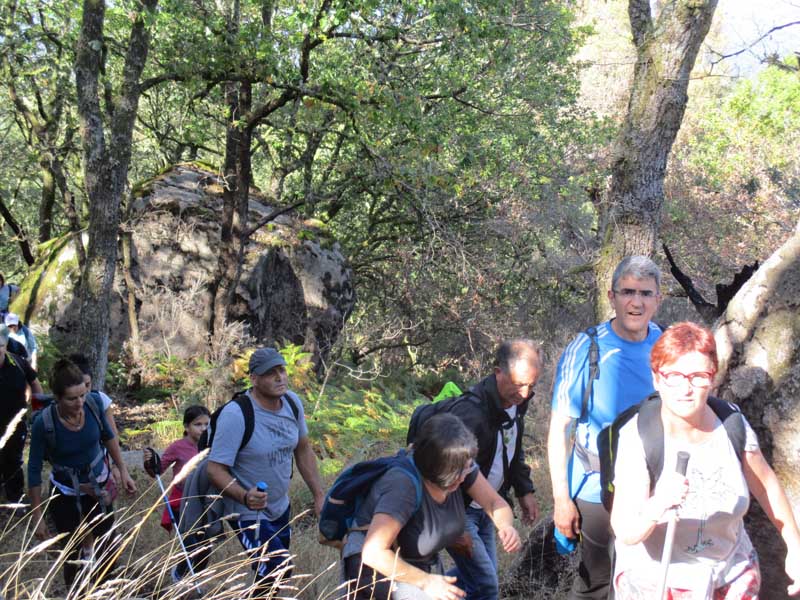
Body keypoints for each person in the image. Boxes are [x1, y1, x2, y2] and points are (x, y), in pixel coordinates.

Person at [610, 321, 800, 598]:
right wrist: (658, 504)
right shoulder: (639, 437)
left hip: (730, 573)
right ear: (656, 379)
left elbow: (766, 485)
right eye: (673, 375)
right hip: (658, 581)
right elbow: (626, 531)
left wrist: (794, 546)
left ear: (712, 378)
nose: (685, 389)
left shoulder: (732, 424)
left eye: (698, 375)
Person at [548, 255, 663, 599]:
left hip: (651, 489)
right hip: (594, 487)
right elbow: (559, 430)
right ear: (612, 297)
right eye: (627, 291)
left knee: (642, 582)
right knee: (595, 583)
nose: (636, 302)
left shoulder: (667, 346)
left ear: (659, 299)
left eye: (645, 293)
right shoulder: (587, 347)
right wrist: (560, 500)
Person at [343, 413, 522, 600]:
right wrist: (426, 581)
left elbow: (494, 502)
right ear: (436, 468)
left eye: (467, 468)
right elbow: (373, 552)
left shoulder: (461, 465)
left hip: (415, 564)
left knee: (480, 583)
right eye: (456, 473)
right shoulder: (403, 486)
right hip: (376, 570)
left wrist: (505, 525)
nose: (463, 477)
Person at [206, 347, 324, 589]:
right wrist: (244, 496)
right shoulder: (236, 414)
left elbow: (303, 450)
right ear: (254, 379)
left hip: (280, 506)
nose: (280, 377)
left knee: (270, 579)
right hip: (245, 510)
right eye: (271, 373)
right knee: (278, 566)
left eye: (282, 370)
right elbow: (215, 469)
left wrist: (319, 495)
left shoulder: (292, 403)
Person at [443, 339, 541, 600]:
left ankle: (426, 587)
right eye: (520, 384)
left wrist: (524, 489)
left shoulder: (518, 402)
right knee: (486, 585)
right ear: (498, 372)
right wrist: (455, 524)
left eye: (532, 386)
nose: (524, 393)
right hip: (462, 510)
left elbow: (512, 447)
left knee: (479, 579)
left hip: (488, 509)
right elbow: (444, 472)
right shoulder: (470, 414)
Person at [27, 359, 136, 586]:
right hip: (65, 494)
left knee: (107, 547)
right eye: (71, 398)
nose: (79, 403)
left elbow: (108, 437)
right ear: (57, 397)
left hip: (99, 489)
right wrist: (37, 517)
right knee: (73, 556)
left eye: (82, 395)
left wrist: (123, 470)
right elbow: (34, 469)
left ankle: (104, 589)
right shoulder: (44, 424)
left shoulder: (94, 404)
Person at [143, 405, 210, 531]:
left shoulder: (212, 445)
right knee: (189, 542)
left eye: (207, 424)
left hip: (206, 501)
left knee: (205, 544)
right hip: (183, 502)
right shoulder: (177, 447)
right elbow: (157, 471)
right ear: (186, 426)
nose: (203, 428)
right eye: (198, 424)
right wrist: (149, 462)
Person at [0, 325, 43, 505]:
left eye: (0, 345)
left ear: (5, 345)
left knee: (13, 462)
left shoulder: (18, 362)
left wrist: (38, 411)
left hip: (15, 425)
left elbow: (35, 384)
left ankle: (15, 500)